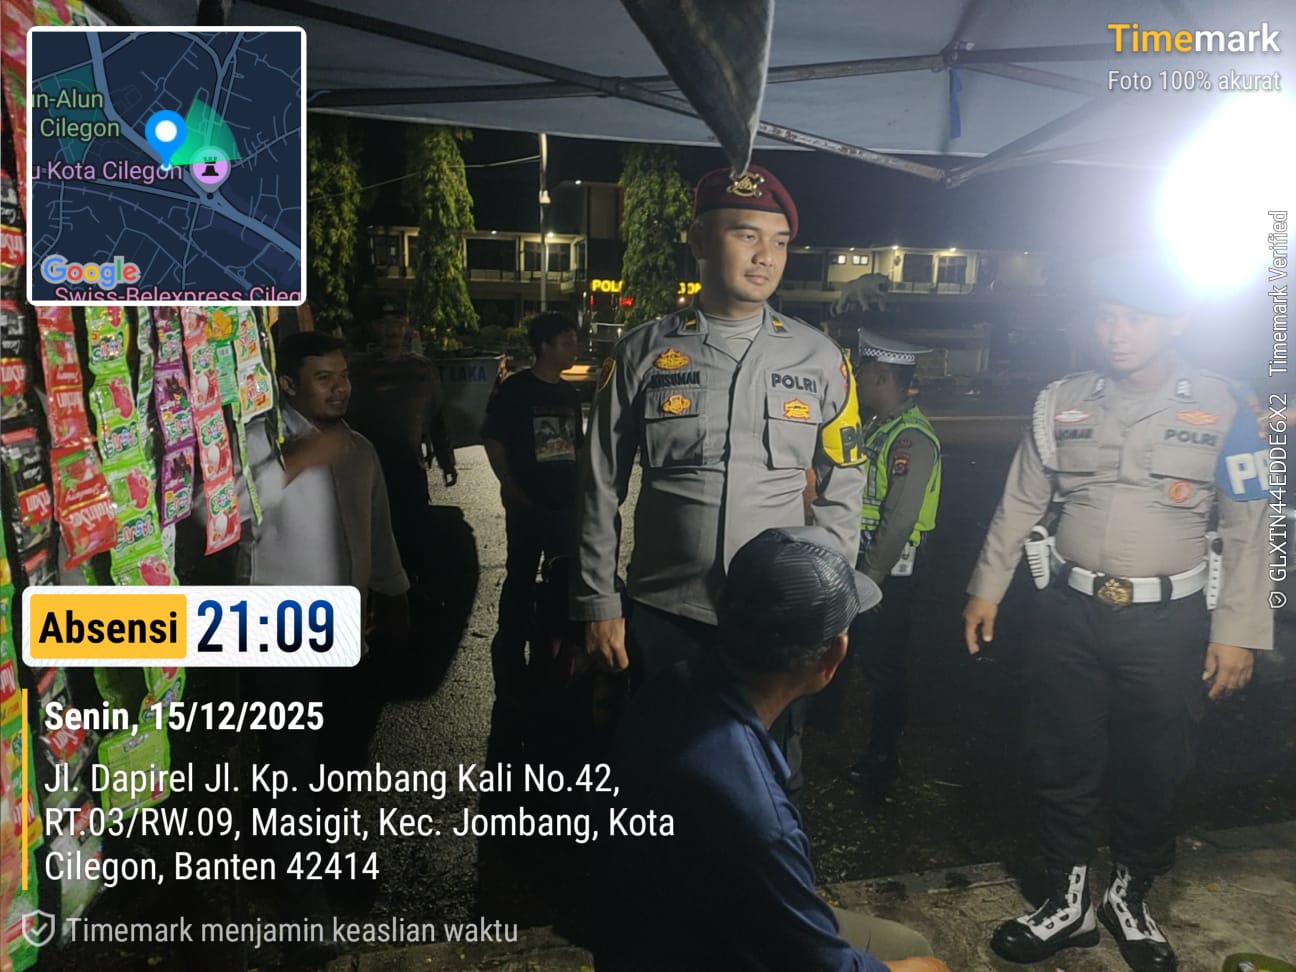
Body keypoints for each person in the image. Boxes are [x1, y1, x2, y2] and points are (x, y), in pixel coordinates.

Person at [962, 253, 1271, 971]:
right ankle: (1066, 903)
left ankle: (1129, 897)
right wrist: (986, 588)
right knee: (1060, 755)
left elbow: (1249, 526)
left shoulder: (1228, 407)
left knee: (1156, 766)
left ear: (1177, 322)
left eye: (1134, 318)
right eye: (1106, 316)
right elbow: (1020, 500)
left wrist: (1238, 632)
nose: (1116, 332)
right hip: (1070, 612)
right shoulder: (1060, 401)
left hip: (1169, 624)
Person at [573, 163, 867, 788]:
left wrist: (831, 600)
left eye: (779, 242)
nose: (766, 256)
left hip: (778, 615)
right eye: (746, 234)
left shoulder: (820, 359)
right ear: (700, 239)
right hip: (667, 613)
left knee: (768, 778)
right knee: (661, 777)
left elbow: (844, 483)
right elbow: (599, 482)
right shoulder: (642, 352)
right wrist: (600, 601)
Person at [596, 526, 950, 972]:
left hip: (636, 928)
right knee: (918, 954)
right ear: (832, 658)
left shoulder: (671, 685)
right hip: (691, 950)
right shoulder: (757, 814)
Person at [839, 329, 941, 796]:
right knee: (853, 654)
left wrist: (871, 579)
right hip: (866, 565)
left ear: (881, 376)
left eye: (862, 373)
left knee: (883, 668)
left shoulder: (910, 439)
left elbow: (899, 519)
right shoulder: (879, 426)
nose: (857, 380)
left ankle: (883, 757)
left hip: (887, 573)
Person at [482, 311, 584, 705]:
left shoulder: (569, 394)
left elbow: (576, 447)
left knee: (563, 574)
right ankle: (511, 642)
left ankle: (552, 639)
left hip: (565, 501)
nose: (575, 348)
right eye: (567, 341)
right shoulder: (517, 389)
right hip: (527, 501)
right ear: (544, 346)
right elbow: (494, 439)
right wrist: (508, 484)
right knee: (521, 572)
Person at [347, 306, 457, 568]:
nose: (392, 329)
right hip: (369, 468)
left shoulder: (422, 370)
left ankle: (411, 585)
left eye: (398, 322)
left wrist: (447, 461)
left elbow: (437, 417)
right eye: (385, 322)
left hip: (410, 468)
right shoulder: (359, 371)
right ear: (375, 328)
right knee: (370, 538)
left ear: (406, 326)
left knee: (413, 535)